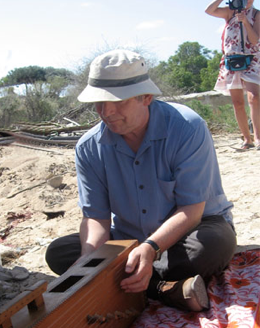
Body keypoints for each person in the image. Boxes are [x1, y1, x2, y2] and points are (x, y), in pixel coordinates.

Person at [45, 49, 237, 312]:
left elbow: (192, 211)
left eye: (118, 101)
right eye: (99, 102)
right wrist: (88, 259)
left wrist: (150, 249)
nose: (106, 112)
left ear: (146, 97)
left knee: (211, 247)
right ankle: (164, 289)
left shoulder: (187, 127)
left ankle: (136, 280)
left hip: (194, 228)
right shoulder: (88, 147)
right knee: (60, 253)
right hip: (129, 238)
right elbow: (96, 218)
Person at [205, 0, 260, 150]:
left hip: (251, 58)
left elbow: (255, 41)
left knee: (254, 98)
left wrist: (245, 22)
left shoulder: (256, 14)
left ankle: (258, 137)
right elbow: (209, 10)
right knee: (237, 102)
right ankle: (247, 140)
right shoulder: (230, 12)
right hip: (232, 60)